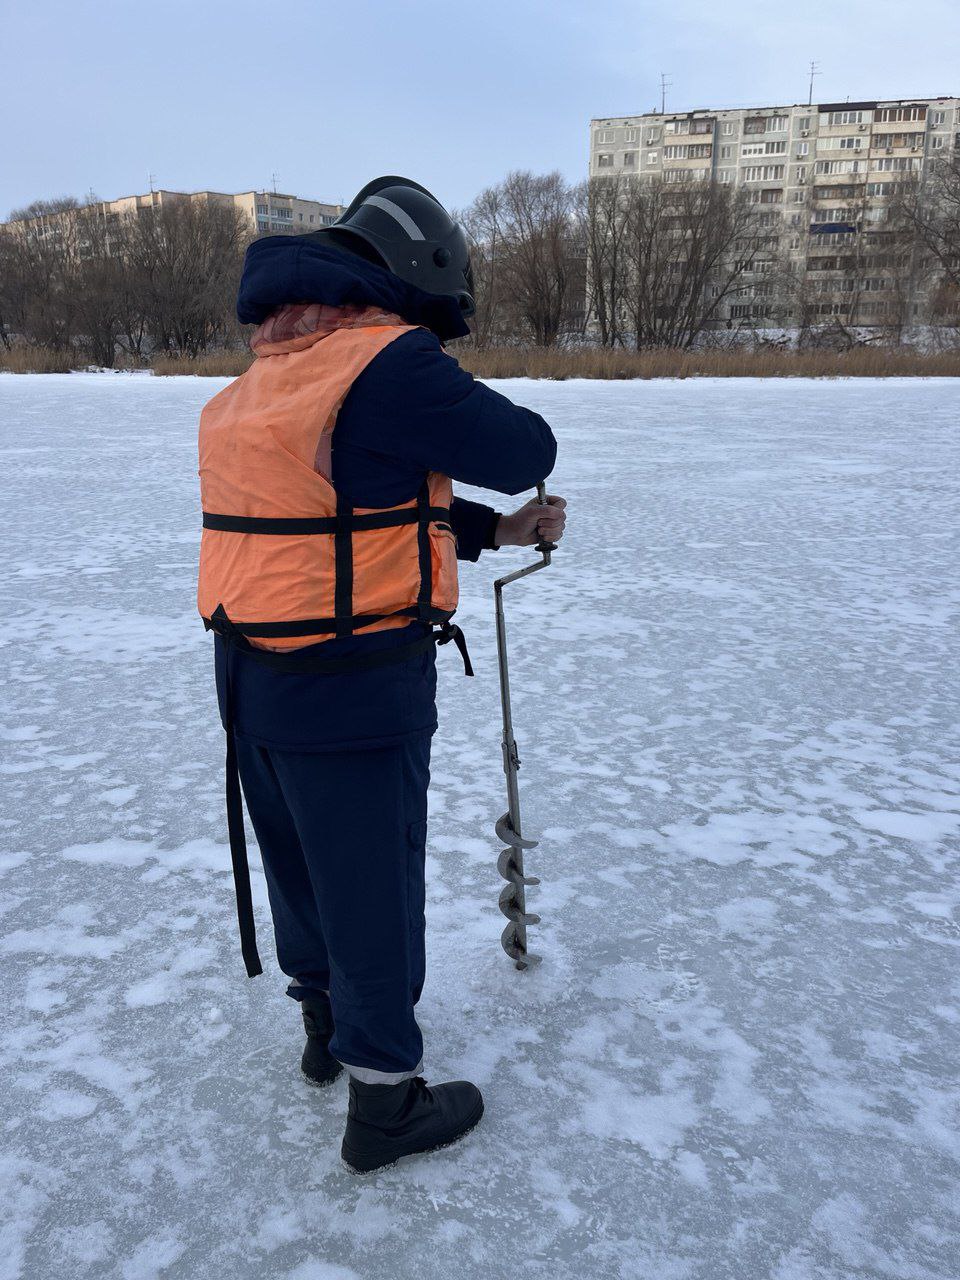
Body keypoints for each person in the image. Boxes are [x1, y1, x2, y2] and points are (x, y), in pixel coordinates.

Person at [197, 176, 565, 1174]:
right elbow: (525, 443)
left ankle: (324, 1028)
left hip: (250, 678)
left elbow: (349, 508)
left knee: (305, 872)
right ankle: (385, 1102)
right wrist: (448, 376)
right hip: (352, 680)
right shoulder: (385, 360)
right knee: (372, 888)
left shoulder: (271, 369)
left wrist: (495, 529)